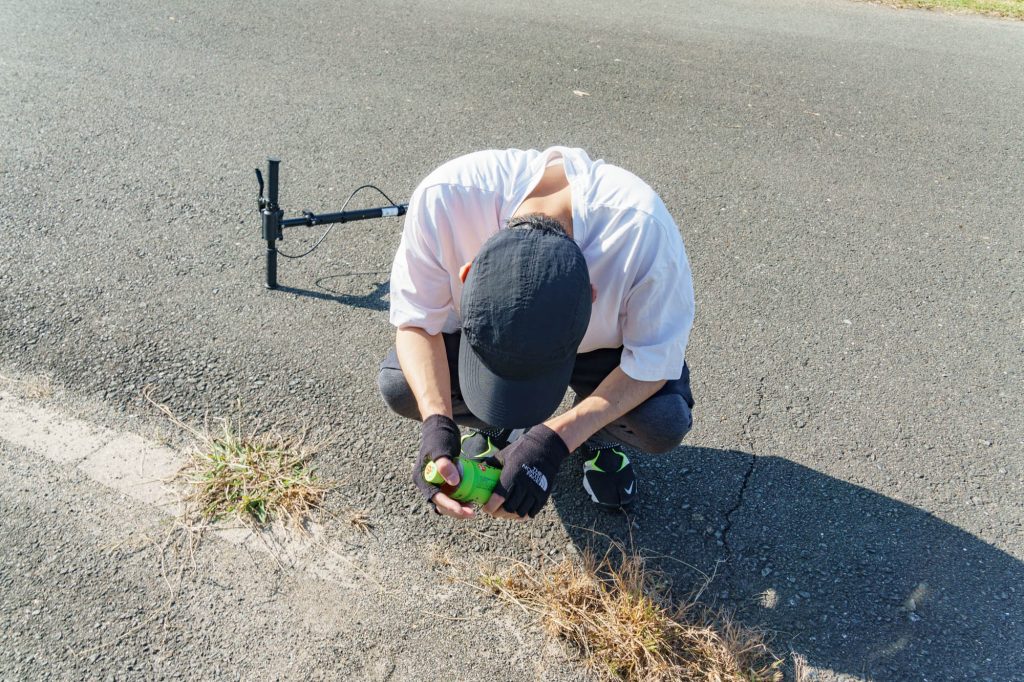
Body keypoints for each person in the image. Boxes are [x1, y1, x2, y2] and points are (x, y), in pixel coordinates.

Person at [377, 146, 695, 521]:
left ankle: (595, 438)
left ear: (591, 295)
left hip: (601, 351)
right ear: (468, 272)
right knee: (401, 386)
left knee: (662, 421)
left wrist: (554, 441)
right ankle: (503, 423)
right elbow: (416, 322)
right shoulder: (443, 200)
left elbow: (652, 363)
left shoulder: (644, 232)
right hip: (495, 342)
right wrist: (437, 423)